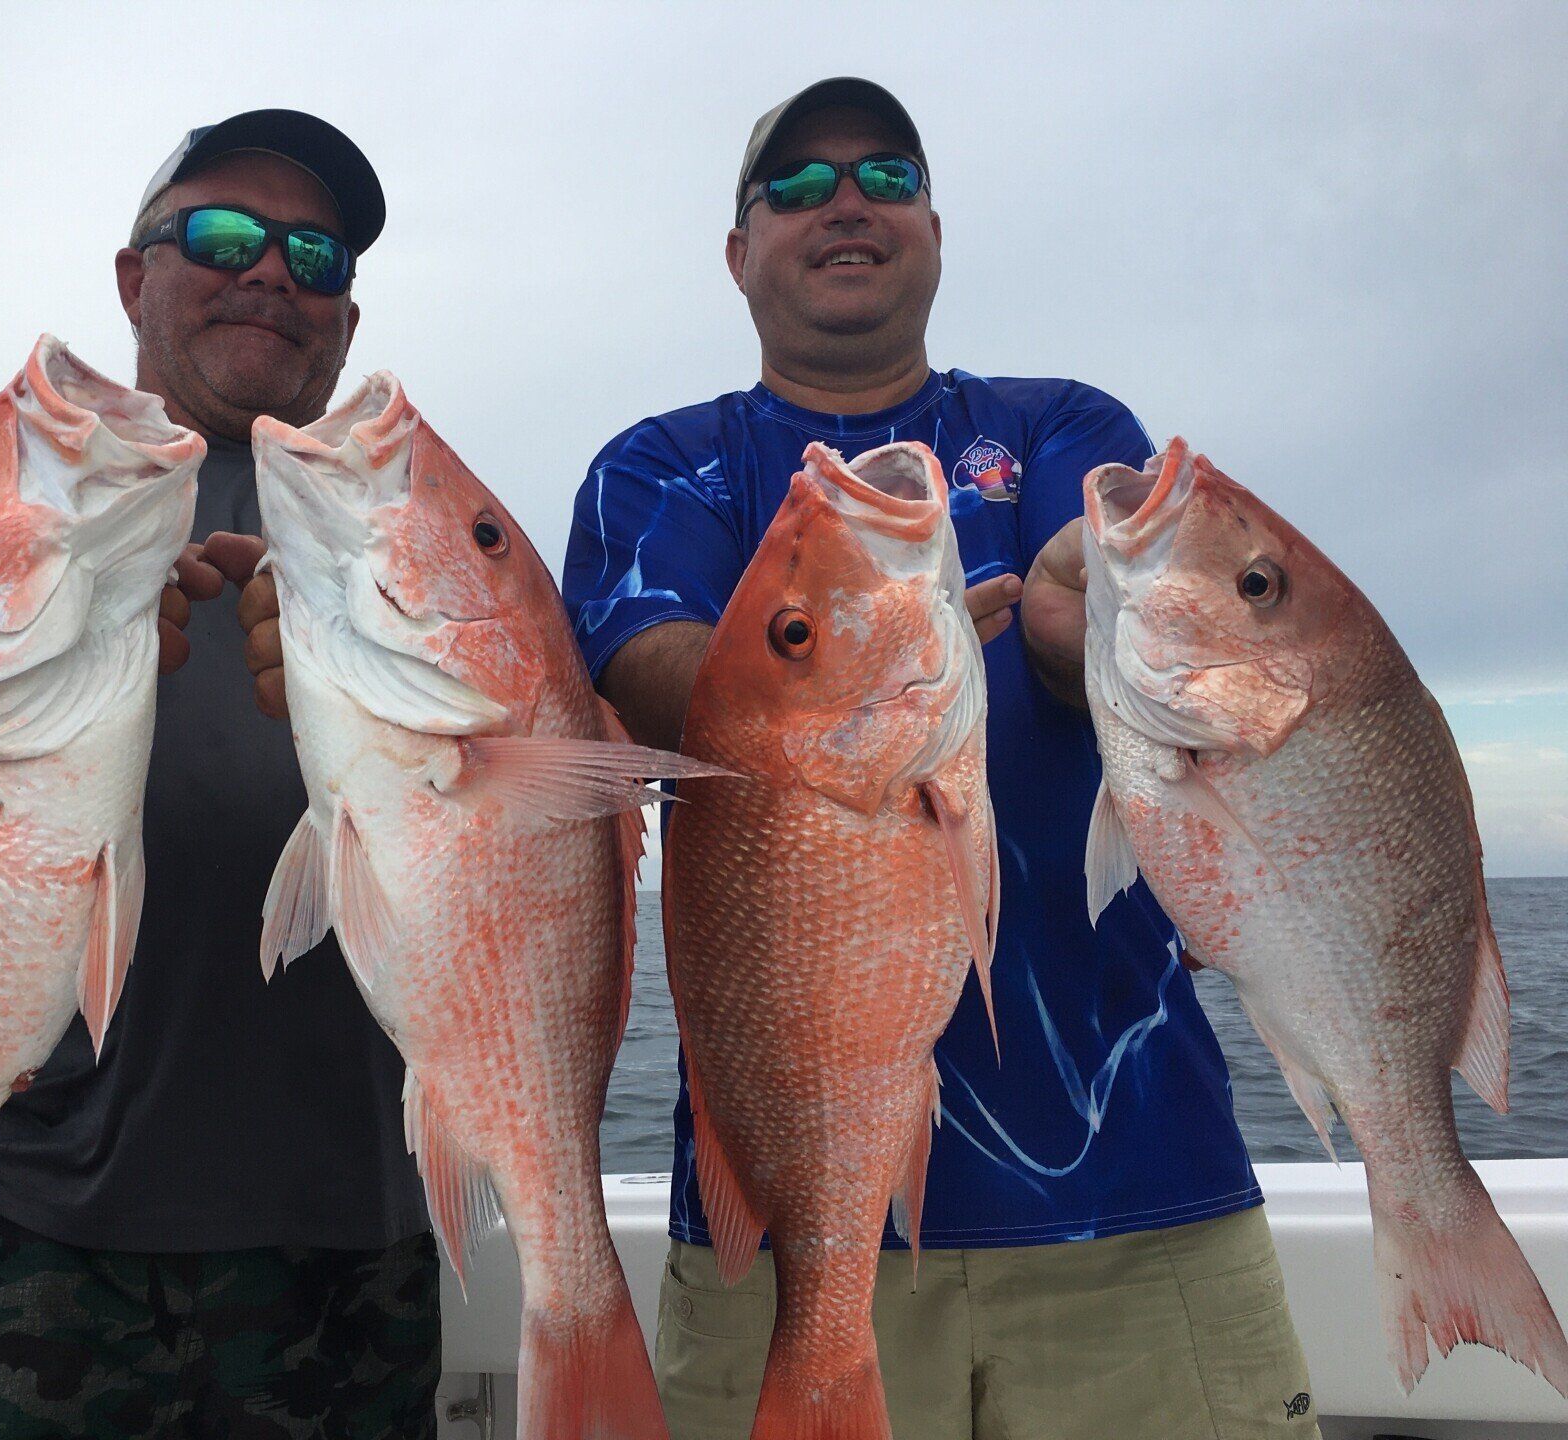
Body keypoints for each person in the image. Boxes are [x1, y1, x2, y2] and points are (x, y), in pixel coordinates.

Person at [557, 78, 1321, 1440]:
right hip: (790, 1220)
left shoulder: (1063, 428)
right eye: (793, 186)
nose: (841, 201)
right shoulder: (658, 471)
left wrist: (1061, 634)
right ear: (740, 255)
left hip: (1137, 1194)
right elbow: (648, 669)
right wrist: (815, 663)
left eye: (882, 175)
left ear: (933, 229)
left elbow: (1136, 642)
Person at [0, 111, 438, 1440]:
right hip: (24, 1232)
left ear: (344, 321)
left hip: (346, 1246)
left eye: (316, 255)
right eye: (224, 237)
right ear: (133, 278)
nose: (272, 273)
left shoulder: (422, 533)